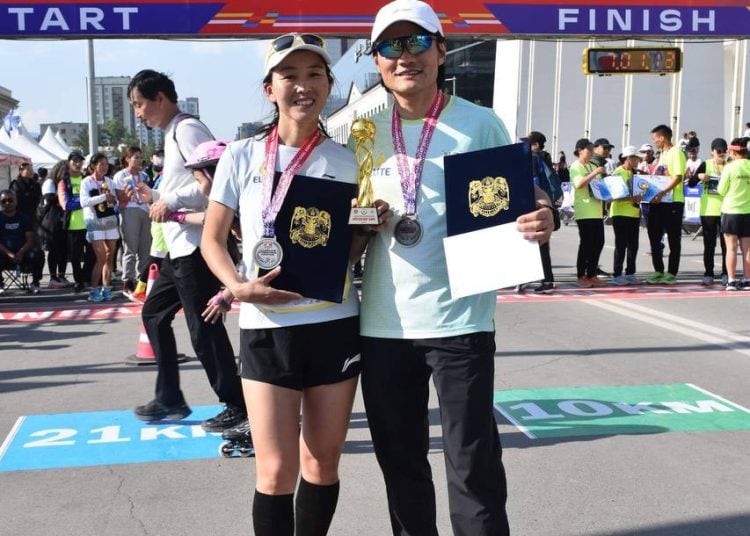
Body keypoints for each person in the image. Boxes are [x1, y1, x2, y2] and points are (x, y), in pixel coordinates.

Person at [353, 2, 554, 534]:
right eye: (391, 47)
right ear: (377, 61)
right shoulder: (359, 129)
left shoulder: (479, 122)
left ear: (442, 50)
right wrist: (358, 223)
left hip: (460, 321)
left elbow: (521, 196)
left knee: (473, 466)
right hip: (381, 322)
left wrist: (544, 215)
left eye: (417, 42)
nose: (405, 57)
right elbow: (336, 221)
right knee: (401, 467)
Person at [201, 34, 364, 535]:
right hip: (266, 328)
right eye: (289, 75)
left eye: (315, 75)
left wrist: (366, 229)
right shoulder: (242, 155)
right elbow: (211, 239)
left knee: (322, 465)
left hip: (333, 323)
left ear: (329, 85)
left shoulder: (349, 158)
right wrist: (236, 286)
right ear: (269, 88)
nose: (303, 86)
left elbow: (350, 249)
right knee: (274, 471)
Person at [126, 69, 245, 432]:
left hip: (197, 248)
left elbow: (214, 183)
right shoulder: (170, 134)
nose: (138, 113)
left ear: (160, 97)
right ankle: (170, 397)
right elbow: (184, 187)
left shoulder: (187, 128)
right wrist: (158, 197)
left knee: (204, 329)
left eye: (140, 104)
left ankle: (237, 404)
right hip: (178, 248)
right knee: (154, 314)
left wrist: (171, 198)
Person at [646, 124, 687, 285]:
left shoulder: (676, 152)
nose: (654, 141)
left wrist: (663, 192)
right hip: (659, 202)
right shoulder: (662, 155)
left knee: (673, 239)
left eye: (655, 138)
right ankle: (658, 270)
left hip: (673, 203)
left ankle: (671, 272)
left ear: (662, 137)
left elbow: (677, 177)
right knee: (654, 236)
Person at [688, 137, 728, 286]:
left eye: (724, 152)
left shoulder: (730, 165)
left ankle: (725, 272)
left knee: (726, 245)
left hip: (726, 210)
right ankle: (708, 272)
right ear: (712, 152)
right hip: (709, 210)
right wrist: (698, 177)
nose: (721, 155)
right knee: (709, 244)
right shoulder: (706, 164)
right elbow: (691, 183)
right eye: (719, 152)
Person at [79, 153, 119, 302]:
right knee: (101, 257)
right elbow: (84, 202)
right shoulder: (86, 182)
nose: (104, 167)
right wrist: (103, 197)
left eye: (106, 164)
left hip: (109, 219)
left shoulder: (109, 181)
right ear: (93, 166)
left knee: (110, 255)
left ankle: (106, 289)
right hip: (94, 220)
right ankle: (93, 290)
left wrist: (112, 200)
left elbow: (114, 200)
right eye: (101, 164)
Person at [113, 146, 152, 297]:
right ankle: (127, 280)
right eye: (135, 157)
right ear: (127, 159)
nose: (139, 160)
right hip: (129, 210)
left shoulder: (144, 175)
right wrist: (129, 192)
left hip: (145, 211)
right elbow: (120, 198)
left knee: (145, 247)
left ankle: (142, 280)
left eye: (140, 157)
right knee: (130, 247)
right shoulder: (120, 175)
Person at [525, 130, 560, 294]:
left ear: (535, 145)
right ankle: (543, 279)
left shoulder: (533, 159)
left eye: (528, 142)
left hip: (535, 204)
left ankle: (546, 280)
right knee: (541, 243)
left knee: (536, 242)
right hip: (546, 205)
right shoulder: (544, 158)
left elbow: (532, 183)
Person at [571, 138, 607, 288]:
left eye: (592, 149)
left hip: (596, 210)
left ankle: (592, 274)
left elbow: (599, 186)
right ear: (580, 150)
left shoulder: (593, 165)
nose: (591, 152)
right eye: (589, 150)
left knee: (598, 242)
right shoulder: (575, 166)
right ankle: (581, 276)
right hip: (584, 211)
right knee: (586, 244)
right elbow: (579, 184)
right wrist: (595, 172)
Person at [57, 150, 95, 292]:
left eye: (80, 161)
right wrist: (86, 201)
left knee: (92, 254)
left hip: (90, 223)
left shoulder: (87, 179)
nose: (78, 164)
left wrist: (83, 200)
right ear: (69, 163)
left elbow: (95, 198)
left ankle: (86, 278)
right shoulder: (64, 182)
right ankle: (78, 280)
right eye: (75, 161)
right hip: (73, 225)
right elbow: (66, 204)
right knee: (75, 257)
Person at [718, 137, 750, 290]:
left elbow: (720, 190)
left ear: (733, 151)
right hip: (748, 212)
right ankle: (747, 280)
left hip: (731, 211)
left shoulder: (729, 167)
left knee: (731, 248)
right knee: (748, 249)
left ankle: (731, 280)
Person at [609, 146, 643, 285]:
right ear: (629, 158)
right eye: (636, 158)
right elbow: (613, 196)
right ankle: (617, 274)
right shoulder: (617, 173)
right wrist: (632, 199)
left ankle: (630, 273)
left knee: (633, 245)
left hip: (634, 214)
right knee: (621, 245)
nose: (638, 161)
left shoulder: (636, 173)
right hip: (620, 213)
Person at [0, 189, 44, 294]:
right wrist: (10, 254)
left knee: (38, 254)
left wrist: (20, 253)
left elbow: (30, 239)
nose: (7, 203)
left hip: (22, 253)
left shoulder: (23, 218)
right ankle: (0, 284)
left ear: (16, 201)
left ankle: (35, 283)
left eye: (10, 200)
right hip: (4, 254)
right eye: (4, 201)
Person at [37, 160, 71, 288]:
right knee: (54, 250)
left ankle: (61, 275)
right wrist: (61, 194)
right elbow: (48, 199)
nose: (67, 173)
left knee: (64, 249)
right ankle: (53, 277)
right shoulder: (50, 183)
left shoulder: (66, 183)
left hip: (63, 218)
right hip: (51, 220)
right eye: (66, 170)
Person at [10, 162, 42, 228]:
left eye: (31, 169)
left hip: (34, 216)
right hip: (20, 215)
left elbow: (39, 198)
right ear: (21, 171)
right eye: (28, 169)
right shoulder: (16, 184)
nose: (31, 171)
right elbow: (16, 200)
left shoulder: (36, 185)